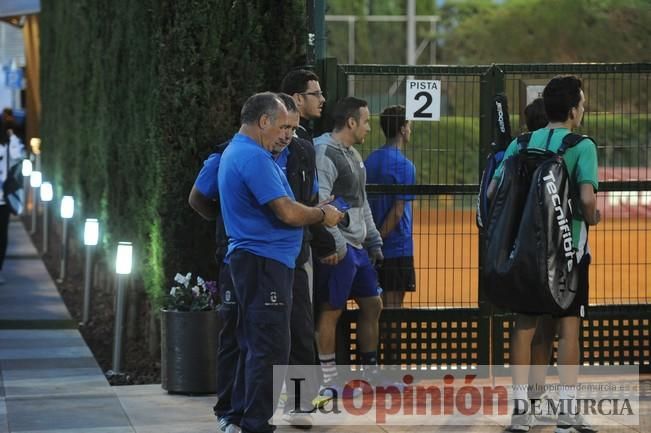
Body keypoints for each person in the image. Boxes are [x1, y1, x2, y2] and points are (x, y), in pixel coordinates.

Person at [218, 92, 343, 433]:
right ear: (263, 122)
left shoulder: (242, 152)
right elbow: (287, 211)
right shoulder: (254, 158)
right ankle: (256, 424)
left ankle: (242, 418)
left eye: (293, 127)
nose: (288, 135)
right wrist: (322, 214)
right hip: (264, 263)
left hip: (260, 262)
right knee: (270, 348)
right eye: (284, 126)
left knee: (257, 344)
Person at [488, 76, 600, 433]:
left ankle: (522, 413)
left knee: (523, 327)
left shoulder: (521, 143)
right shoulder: (582, 145)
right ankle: (567, 414)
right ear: (572, 110)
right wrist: (593, 218)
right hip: (567, 253)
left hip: (525, 252)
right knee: (568, 329)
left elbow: (493, 191)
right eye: (581, 104)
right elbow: (586, 201)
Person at [313, 97, 383, 400]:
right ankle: (328, 382)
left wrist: (374, 239)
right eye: (366, 121)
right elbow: (321, 203)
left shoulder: (354, 155)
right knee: (331, 312)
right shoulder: (323, 152)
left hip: (357, 247)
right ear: (351, 122)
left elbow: (360, 200)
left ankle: (370, 374)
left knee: (372, 305)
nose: (369, 127)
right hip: (339, 249)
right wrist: (336, 244)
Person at [278, 72, 332, 428]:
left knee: (299, 327)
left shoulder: (304, 145)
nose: (322, 99)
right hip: (266, 254)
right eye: (315, 94)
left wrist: (323, 241)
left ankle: (300, 402)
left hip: (297, 252)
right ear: (297, 99)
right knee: (271, 331)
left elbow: (310, 198)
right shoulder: (260, 147)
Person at [364, 105, 416, 309]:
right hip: (397, 247)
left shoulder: (369, 161)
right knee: (393, 311)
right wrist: (379, 238)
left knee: (373, 309)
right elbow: (397, 211)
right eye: (409, 126)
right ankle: (388, 343)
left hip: (369, 244)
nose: (410, 130)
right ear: (403, 129)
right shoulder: (405, 165)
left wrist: (372, 240)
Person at [0, 119, 24, 284]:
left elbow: (19, 155)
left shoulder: (7, 146)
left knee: (2, 236)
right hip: (3, 201)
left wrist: (12, 138)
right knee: (1, 236)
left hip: (3, 200)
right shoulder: (8, 145)